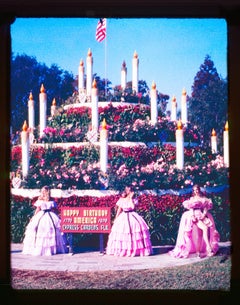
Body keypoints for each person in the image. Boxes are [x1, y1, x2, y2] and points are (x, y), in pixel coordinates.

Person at [169, 184, 220, 258]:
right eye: (194, 190)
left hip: (202, 216)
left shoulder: (204, 198)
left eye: (197, 189)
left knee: (200, 235)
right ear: (193, 191)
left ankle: (198, 252)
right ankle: (208, 247)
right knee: (205, 228)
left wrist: (204, 214)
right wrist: (193, 216)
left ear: (199, 190)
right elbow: (191, 208)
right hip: (194, 217)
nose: (196, 191)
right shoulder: (192, 199)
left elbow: (206, 207)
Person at [106, 186, 153, 257]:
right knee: (123, 232)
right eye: (128, 190)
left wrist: (131, 198)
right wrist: (116, 218)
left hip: (132, 215)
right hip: (123, 216)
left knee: (134, 232)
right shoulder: (121, 199)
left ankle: (134, 250)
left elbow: (133, 207)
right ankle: (123, 250)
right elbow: (119, 209)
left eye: (130, 190)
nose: (129, 191)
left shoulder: (134, 199)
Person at [22, 185, 67, 256]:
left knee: (51, 231)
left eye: (44, 191)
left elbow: (54, 210)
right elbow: (38, 209)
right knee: (39, 230)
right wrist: (33, 217)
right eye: (42, 191)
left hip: (50, 215)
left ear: (47, 192)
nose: (42, 192)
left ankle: (52, 249)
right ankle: (40, 249)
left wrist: (58, 216)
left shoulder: (51, 200)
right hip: (41, 215)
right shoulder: (40, 200)